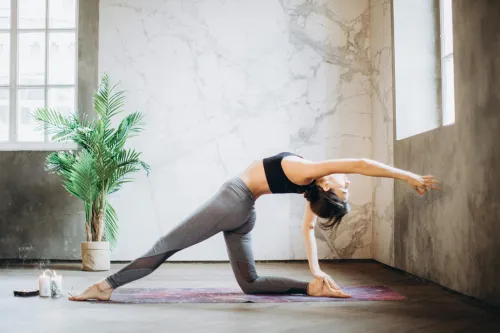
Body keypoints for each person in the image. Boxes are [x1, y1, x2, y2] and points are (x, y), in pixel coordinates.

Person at [69, 152, 439, 301]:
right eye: (347, 187)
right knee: (250, 283)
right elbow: (309, 230)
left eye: (345, 187)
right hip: (244, 211)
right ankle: (312, 290)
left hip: (234, 200)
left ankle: (104, 286)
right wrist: (316, 273)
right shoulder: (311, 183)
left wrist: (406, 176)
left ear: (327, 185)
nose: (348, 182)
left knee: (167, 245)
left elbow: (358, 163)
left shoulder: (313, 177)